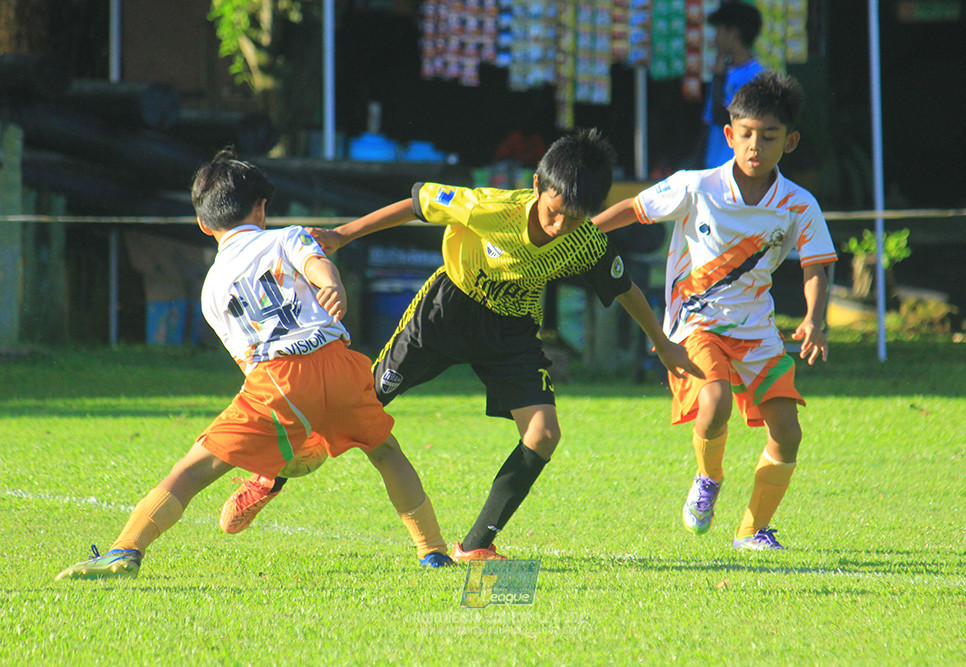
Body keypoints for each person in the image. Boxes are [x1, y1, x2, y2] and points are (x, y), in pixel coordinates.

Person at [223, 128, 704, 562]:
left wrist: (663, 345)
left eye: (575, 219)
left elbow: (626, 290)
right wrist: (345, 235)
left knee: (543, 434)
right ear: (537, 187)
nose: (560, 227)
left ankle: (476, 546)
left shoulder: (585, 242)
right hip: (446, 312)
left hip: (511, 332)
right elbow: (417, 203)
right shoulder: (490, 208)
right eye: (555, 212)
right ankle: (269, 478)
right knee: (358, 405)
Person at [57, 149, 453, 580]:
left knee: (191, 471)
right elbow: (317, 261)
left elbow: (248, 359)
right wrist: (331, 283)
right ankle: (432, 552)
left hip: (278, 377)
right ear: (261, 209)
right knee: (387, 453)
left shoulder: (211, 289)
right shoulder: (287, 236)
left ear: (204, 225)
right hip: (341, 364)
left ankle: (125, 551)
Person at [593, 72, 837, 550]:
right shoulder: (696, 186)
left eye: (769, 137)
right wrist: (586, 233)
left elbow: (816, 266)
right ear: (729, 135)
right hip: (696, 321)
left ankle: (753, 530)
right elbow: (635, 208)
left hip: (756, 328)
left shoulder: (798, 205)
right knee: (716, 402)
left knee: (787, 431)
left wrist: (815, 318)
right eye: (746, 134)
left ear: (790, 142)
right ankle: (708, 479)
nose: (755, 146)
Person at [701, 1, 764, 169]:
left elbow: (724, 116)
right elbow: (709, 122)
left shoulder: (755, 76)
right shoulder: (723, 73)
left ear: (733, 34)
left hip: (737, 169)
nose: (715, 38)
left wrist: (719, 78)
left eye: (719, 31)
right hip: (713, 166)